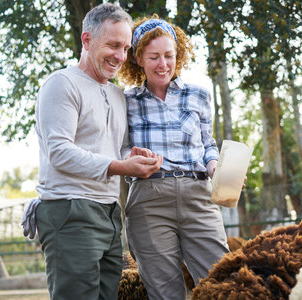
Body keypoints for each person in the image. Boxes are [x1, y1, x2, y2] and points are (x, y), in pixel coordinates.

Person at [34, 4, 162, 300]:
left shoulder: (116, 94)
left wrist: (133, 157)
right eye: (113, 45)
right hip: (70, 210)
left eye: (126, 48)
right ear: (87, 40)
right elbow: (60, 152)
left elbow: (117, 150)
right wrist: (121, 167)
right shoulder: (62, 84)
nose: (120, 56)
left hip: (109, 212)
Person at [118, 16, 230, 300]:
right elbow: (118, 150)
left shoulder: (199, 95)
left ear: (177, 56)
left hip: (198, 195)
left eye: (169, 55)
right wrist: (132, 158)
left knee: (222, 281)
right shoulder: (125, 101)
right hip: (148, 199)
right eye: (154, 56)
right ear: (138, 58)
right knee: (165, 292)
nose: (163, 64)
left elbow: (208, 144)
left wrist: (216, 166)